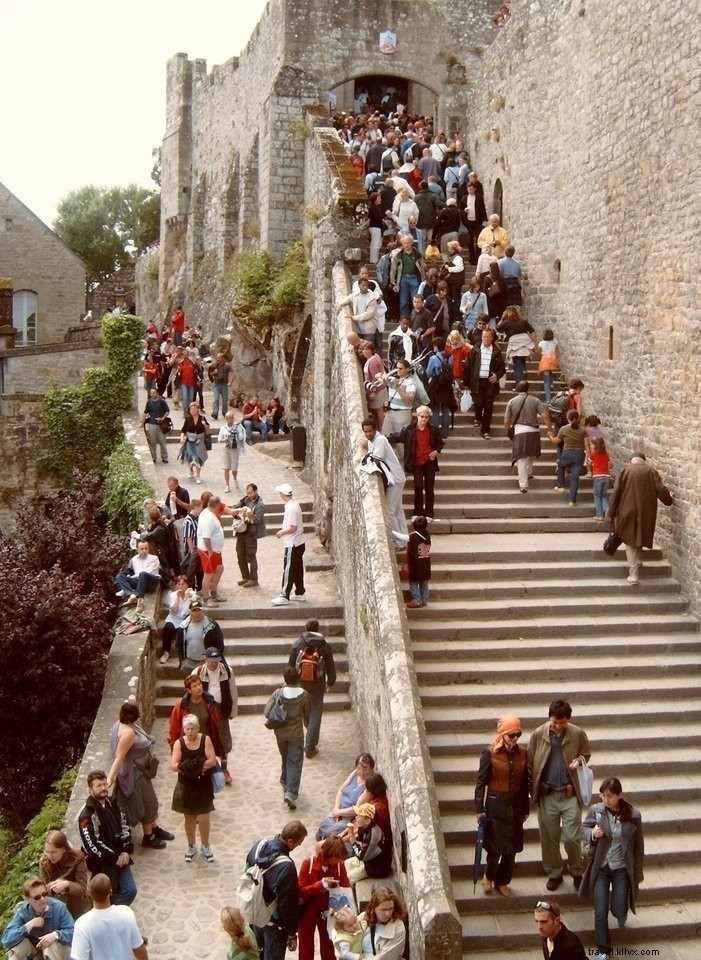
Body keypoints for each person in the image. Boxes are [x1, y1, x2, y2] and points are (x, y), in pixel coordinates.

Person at [527, 699, 591, 892]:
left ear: (568, 721)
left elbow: (586, 754)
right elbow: (530, 763)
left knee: (572, 838)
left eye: (561, 722)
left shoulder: (577, 734)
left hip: (569, 793)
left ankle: (576, 870)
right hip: (548, 795)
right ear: (549, 718)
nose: (557, 726)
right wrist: (533, 790)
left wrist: (578, 762)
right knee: (549, 837)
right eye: (554, 722)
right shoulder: (538, 734)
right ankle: (554, 872)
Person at [580, 778, 644, 960]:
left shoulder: (633, 815)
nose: (605, 799)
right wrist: (592, 833)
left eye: (609, 796)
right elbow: (582, 828)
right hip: (601, 866)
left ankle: (621, 912)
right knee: (600, 911)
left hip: (621, 868)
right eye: (602, 795)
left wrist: (638, 872)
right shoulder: (597, 811)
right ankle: (603, 950)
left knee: (617, 908)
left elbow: (639, 846)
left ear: (619, 796)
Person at [107, 701, 173, 851]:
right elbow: (119, 757)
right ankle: (148, 837)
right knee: (149, 803)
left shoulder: (124, 725)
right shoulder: (128, 733)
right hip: (135, 774)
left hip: (140, 771)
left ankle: (154, 828)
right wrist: (110, 778)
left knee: (149, 801)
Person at [475, 714, 529, 897]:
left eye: (517, 735)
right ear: (503, 734)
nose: (514, 739)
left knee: (512, 847)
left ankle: (503, 880)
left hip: (515, 805)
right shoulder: (490, 753)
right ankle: (489, 874)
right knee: (495, 847)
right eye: (511, 735)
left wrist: (526, 808)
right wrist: (479, 808)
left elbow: (524, 783)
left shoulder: (522, 753)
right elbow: (481, 782)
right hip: (496, 805)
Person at [245, 820, 308, 960]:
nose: (300, 845)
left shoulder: (258, 847)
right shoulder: (286, 867)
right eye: (298, 843)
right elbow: (287, 904)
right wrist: (292, 934)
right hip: (274, 925)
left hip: (255, 915)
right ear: (290, 841)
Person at [607, 453, 673, 585]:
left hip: (627, 510)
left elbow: (616, 493)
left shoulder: (626, 471)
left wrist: (611, 512)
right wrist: (669, 500)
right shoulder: (651, 471)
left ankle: (633, 575)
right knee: (640, 534)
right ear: (643, 461)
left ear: (632, 461)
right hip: (646, 510)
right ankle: (638, 562)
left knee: (629, 540)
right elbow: (660, 489)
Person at [78, 770, 137, 907]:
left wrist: (125, 851)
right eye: (98, 785)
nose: (103, 788)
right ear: (90, 789)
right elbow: (91, 845)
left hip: (121, 857)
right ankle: (109, 912)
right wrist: (114, 858)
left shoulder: (113, 803)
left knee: (130, 890)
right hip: (103, 863)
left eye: (104, 784)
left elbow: (124, 825)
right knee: (110, 890)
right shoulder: (86, 815)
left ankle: (112, 910)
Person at [170, 713, 217, 862]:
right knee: (189, 817)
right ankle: (191, 846)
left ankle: (205, 846)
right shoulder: (179, 744)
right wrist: (192, 767)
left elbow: (212, 760)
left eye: (192, 729)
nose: (189, 732)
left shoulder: (205, 740)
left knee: (204, 816)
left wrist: (195, 767)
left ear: (197, 728)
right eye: (187, 729)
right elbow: (173, 765)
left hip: (203, 784)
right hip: (187, 785)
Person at [288, 618, 336, 759]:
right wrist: (331, 682)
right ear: (318, 628)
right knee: (315, 711)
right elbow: (330, 666)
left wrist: (291, 682)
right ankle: (310, 746)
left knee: (305, 710)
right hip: (317, 682)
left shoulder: (298, 644)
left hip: (300, 681)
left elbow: (291, 665)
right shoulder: (324, 646)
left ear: (306, 628)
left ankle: (311, 733)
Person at [70, 873, 148, 960]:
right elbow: (139, 949)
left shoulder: (82, 924)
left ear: (89, 893)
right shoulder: (126, 913)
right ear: (110, 892)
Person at [265, 667, 311, 809]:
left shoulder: (278, 693)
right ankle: (291, 792)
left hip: (280, 733)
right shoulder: (304, 695)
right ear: (298, 678)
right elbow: (308, 713)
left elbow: (267, 712)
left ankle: (285, 780)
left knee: (285, 757)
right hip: (296, 734)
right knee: (295, 761)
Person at [189, 647, 237, 784]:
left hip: (221, 710)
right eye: (211, 661)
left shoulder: (227, 671)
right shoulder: (197, 672)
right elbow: (191, 691)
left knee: (224, 740)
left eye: (216, 661)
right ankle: (205, 768)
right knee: (204, 738)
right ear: (206, 660)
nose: (214, 664)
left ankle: (224, 769)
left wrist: (232, 711)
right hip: (204, 710)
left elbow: (233, 691)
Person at [360, 418, 408, 551]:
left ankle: (399, 542)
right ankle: (404, 540)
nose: (368, 434)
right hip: (397, 477)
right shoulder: (372, 441)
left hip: (395, 479)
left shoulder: (380, 440)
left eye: (370, 431)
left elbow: (375, 460)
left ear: (375, 429)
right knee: (398, 511)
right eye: (366, 432)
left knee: (389, 511)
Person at [298, 838, 350, 960]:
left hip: (329, 913)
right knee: (306, 949)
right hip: (307, 914)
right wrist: (320, 885)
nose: (339, 860)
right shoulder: (308, 863)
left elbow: (346, 885)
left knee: (329, 948)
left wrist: (337, 887)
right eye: (337, 857)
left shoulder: (339, 866)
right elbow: (300, 891)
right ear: (329, 855)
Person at [1, 876, 74, 960]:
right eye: (37, 897)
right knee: (17, 949)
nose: (42, 899)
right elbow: (6, 940)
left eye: (44, 894)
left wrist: (56, 935)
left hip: (58, 954)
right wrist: (28, 926)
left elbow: (73, 932)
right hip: (36, 955)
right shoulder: (23, 912)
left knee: (52, 945)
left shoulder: (59, 907)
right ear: (27, 899)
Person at [504, 381, 553, 493]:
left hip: (520, 430)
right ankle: (529, 472)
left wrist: (508, 431)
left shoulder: (511, 401)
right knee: (530, 452)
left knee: (521, 458)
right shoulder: (535, 400)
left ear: (517, 388)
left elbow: (506, 420)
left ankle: (523, 485)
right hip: (533, 430)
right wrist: (549, 429)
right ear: (528, 389)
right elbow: (545, 415)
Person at [397, 405, 443, 519]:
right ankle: (417, 512)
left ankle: (429, 513)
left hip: (429, 461)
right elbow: (400, 438)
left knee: (429, 488)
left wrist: (436, 452)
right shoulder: (410, 430)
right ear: (417, 416)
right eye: (422, 416)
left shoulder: (433, 430)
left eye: (426, 417)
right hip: (417, 462)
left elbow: (440, 442)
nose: (424, 419)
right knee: (418, 487)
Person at [316, 753, 376, 840]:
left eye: (365, 769)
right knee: (323, 825)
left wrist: (339, 812)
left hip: (349, 818)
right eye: (359, 769)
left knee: (329, 833)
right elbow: (341, 790)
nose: (361, 772)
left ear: (371, 768)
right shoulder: (355, 774)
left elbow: (356, 809)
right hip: (339, 811)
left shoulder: (369, 785)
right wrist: (336, 808)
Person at [167, 670, 222, 761]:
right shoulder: (181, 706)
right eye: (195, 686)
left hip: (205, 744)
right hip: (187, 746)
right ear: (189, 690)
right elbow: (173, 728)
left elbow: (215, 725)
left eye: (199, 684)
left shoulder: (209, 703)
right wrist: (175, 748)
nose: (199, 688)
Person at [464, 326, 506, 440]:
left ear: (492, 338)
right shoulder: (475, 349)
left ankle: (486, 430)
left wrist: (497, 375)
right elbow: (467, 365)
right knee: (478, 402)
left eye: (488, 337)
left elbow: (502, 368)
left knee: (489, 407)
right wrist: (466, 382)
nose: (486, 339)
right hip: (476, 381)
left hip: (489, 383)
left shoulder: (496, 351)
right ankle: (478, 417)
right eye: (484, 337)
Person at [39, 831, 90, 920]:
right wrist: (53, 886)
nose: (50, 856)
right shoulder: (44, 862)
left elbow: (82, 888)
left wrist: (66, 884)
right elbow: (43, 889)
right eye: (47, 852)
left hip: (77, 904)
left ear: (64, 849)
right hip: (56, 904)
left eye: (53, 852)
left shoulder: (77, 859)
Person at [271, 483, 306, 606]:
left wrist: (281, 532)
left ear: (283, 494)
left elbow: (293, 527)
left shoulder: (291, 508)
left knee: (289, 569)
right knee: (297, 569)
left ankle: (284, 594)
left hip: (293, 543)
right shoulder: (294, 504)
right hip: (299, 542)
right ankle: (300, 592)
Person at [342, 803, 392, 884]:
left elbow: (361, 857)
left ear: (367, 821)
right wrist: (354, 838)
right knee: (344, 864)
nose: (356, 818)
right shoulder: (365, 827)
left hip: (376, 867)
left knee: (347, 878)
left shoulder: (372, 836)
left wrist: (353, 842)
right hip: (368, 858)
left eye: (359, 816)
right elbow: (360, 839)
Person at [548, 409, 590, 506]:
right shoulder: (584, 430)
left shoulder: (564, 429)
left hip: (567, 453)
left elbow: (556, 441)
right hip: (579, 454)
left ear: (568, 418)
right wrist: (589, 457)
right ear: (577, 418)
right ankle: (572, 500)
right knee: (575, 478)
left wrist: (550, 436)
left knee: (560, 465)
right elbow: (587, 445)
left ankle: (560, 486)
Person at [174, 598, 225, 675]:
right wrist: (182, 661)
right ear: (190, 612)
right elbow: (179, 645)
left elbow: (219, 645)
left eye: (199, 610)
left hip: (206, 662)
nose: (197, 613)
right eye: (194, 611)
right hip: (189, 663)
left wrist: (212, 660)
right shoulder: (183, 627)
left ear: (202, 611)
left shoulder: (212, 626)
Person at [357, 886, 407, 960]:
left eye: (390, 909)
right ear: (374, 908)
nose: (387, 914)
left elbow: (387, 957)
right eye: (383, 910)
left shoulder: (398, 927)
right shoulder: (363, 918)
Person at [232, 482, 267, 589]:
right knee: (240, 554)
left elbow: (258, 520)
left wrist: (250, 516)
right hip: (241, 532)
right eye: (248, 493)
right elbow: (235, 506)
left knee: (251, 556)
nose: (249, 495)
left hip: (251, 533)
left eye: (251, 493)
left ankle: (253, 579)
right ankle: (245, 576)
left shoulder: (260, 504)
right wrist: (237, 511)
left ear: (256, 491)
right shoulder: (245, 499)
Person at [114, 541, 160, 615]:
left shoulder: (154, 559)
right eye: (142, 549)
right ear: (137, 550)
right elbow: (131, 570)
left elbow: (149, 572)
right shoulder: (134, 559)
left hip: (151, 583)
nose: (144, 551)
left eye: (146, 548)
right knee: (119, 576)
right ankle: (131, 595)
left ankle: (139, 599)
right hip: (139, 581)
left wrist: (132, 577)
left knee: (143, 574)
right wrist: (127, 576)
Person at [197, 493, 226, 606]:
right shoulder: (208, 518)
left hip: (215, 550)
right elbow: (206, 538)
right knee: (208, 574)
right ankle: (206, 599)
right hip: (208, 550)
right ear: (216, 506)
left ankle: (214, 592)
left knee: (219, 568)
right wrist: (210, 551)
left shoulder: (208, 512)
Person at [159, 575, 194, 664]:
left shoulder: (191, 595)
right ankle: (166, 652)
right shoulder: (173, 595)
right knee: (167, 628)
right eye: (179, 584)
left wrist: (189, 597)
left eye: (183, 584)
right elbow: (174, 610)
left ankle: (187, 654)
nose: (181, 586)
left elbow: (194, 610)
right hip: (173, 619)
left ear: (187, 585)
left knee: (188, 631)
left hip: (185, 620)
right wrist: (178, 598)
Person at [379, 359, 416, 437]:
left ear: (407, 369)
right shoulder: (393, 378)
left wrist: (398, 388)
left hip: (402, 413)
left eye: (400, 368)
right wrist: (382, 376)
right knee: (385, 437)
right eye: (397, 368)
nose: (398, 370)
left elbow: (409, 401)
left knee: (400, 440)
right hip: (390, 413)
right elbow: (378, 377)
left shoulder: (411, 382)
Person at [405, 514, 431, 609]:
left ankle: (416, 600)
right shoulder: (427, 535)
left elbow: (402, 537)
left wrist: (392, 532)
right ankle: (424, 600)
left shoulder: (412, 536)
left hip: (415, 564)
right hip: (426, 563)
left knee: (414, 582)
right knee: (424, 582)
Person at [179, 401, 209, 483]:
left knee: (198, 458)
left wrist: (205, 425)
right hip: (190, 440)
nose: (192, 411)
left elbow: (208, 429)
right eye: (191, 409)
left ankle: (198, 476)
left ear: (198, 409)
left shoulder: (202, 418)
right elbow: (183, 430)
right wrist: (182, 438)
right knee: (190, 457)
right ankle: (191, 470)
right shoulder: (188, 419)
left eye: (194, 409)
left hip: (199, 440)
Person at [139, 388, 170, 465]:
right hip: (152, 423)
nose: (152, 395)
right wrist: (142, 421)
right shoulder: (149, 402)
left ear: (157, 393)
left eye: (154, 393)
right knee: (152, 442)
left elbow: (167, 411)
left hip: (161, 424)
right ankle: (153, 457)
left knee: (162, 441)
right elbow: (145, 412)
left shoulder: (162, 402)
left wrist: (163, 418)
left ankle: (164, 457)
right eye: (151, 393)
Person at [362, 341, 388, 431]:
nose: (364, 352)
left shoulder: (372, 362)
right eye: (363, 350)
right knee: (377, 411)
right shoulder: (375, 357)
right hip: (379, 388)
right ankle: (379, 428)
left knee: (379, 410)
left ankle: (381, 429)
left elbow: (375, 377)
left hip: (377, 390)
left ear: (371, 350)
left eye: (366, 350)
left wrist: (373, 392)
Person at [218, 412, 246, 492]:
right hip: (226, 448)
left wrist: (236, 434)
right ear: (226, 419)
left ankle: (235, 478)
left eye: (231, 418)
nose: (230, 420)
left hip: (235, 448)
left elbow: (241, 437)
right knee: (226, 467)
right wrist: (226, 439)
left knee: (234, 468)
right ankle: (227, 485)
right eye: (228, 418)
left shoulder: (237, 427)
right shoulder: (223, 428)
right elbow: (219, 439)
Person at [589, 437, 613, 521]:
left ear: (595, 445)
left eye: (592, 444)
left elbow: (589, 462)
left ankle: (599, 515)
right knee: (603, 495)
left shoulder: (594, 454)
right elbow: (609, 463)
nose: (591, 445)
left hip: (598, 476)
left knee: (597, 496)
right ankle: (606, 509)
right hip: (606, 477)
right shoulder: (606, 454)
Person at [207, 352, 233, 420]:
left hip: (224, 385)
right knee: (216, 399)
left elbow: (232, 374)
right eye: (217, 357)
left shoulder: (227, 366)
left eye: (219, 358)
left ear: (223, 358)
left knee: (225, 400)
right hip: (216, 385)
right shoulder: (214, 365)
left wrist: (230, 382)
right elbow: (210, 374)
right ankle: (215, 413)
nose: (218, 359)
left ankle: (225, 413)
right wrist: (214, 373)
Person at [537, 328, 559, 403]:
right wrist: (556, 358)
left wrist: (541, 355)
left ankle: (548, 399)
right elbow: (558, 352)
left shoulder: (541, 343)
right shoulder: (555, 341)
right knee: (550, 372)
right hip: (552, 359)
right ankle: (552, 384)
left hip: (545, 360)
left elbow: (537, 352)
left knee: (546, 380)